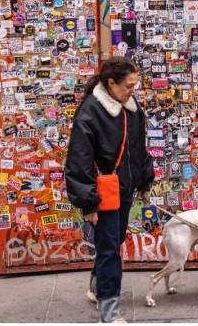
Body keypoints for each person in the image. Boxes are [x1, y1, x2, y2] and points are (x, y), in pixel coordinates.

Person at [65, 57, 154, 323]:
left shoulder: (131, 107)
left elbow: (139, 149)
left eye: (135, 85)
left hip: (124, 188)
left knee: (114, 241)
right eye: (128, 85)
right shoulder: (90, 111)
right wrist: (89, 203)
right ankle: (110, 310)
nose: (132, 90)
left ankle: (96, 287)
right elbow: (78, 160)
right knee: (109, 249)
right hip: (103, 192)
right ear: (111, 83)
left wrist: (145, 180)